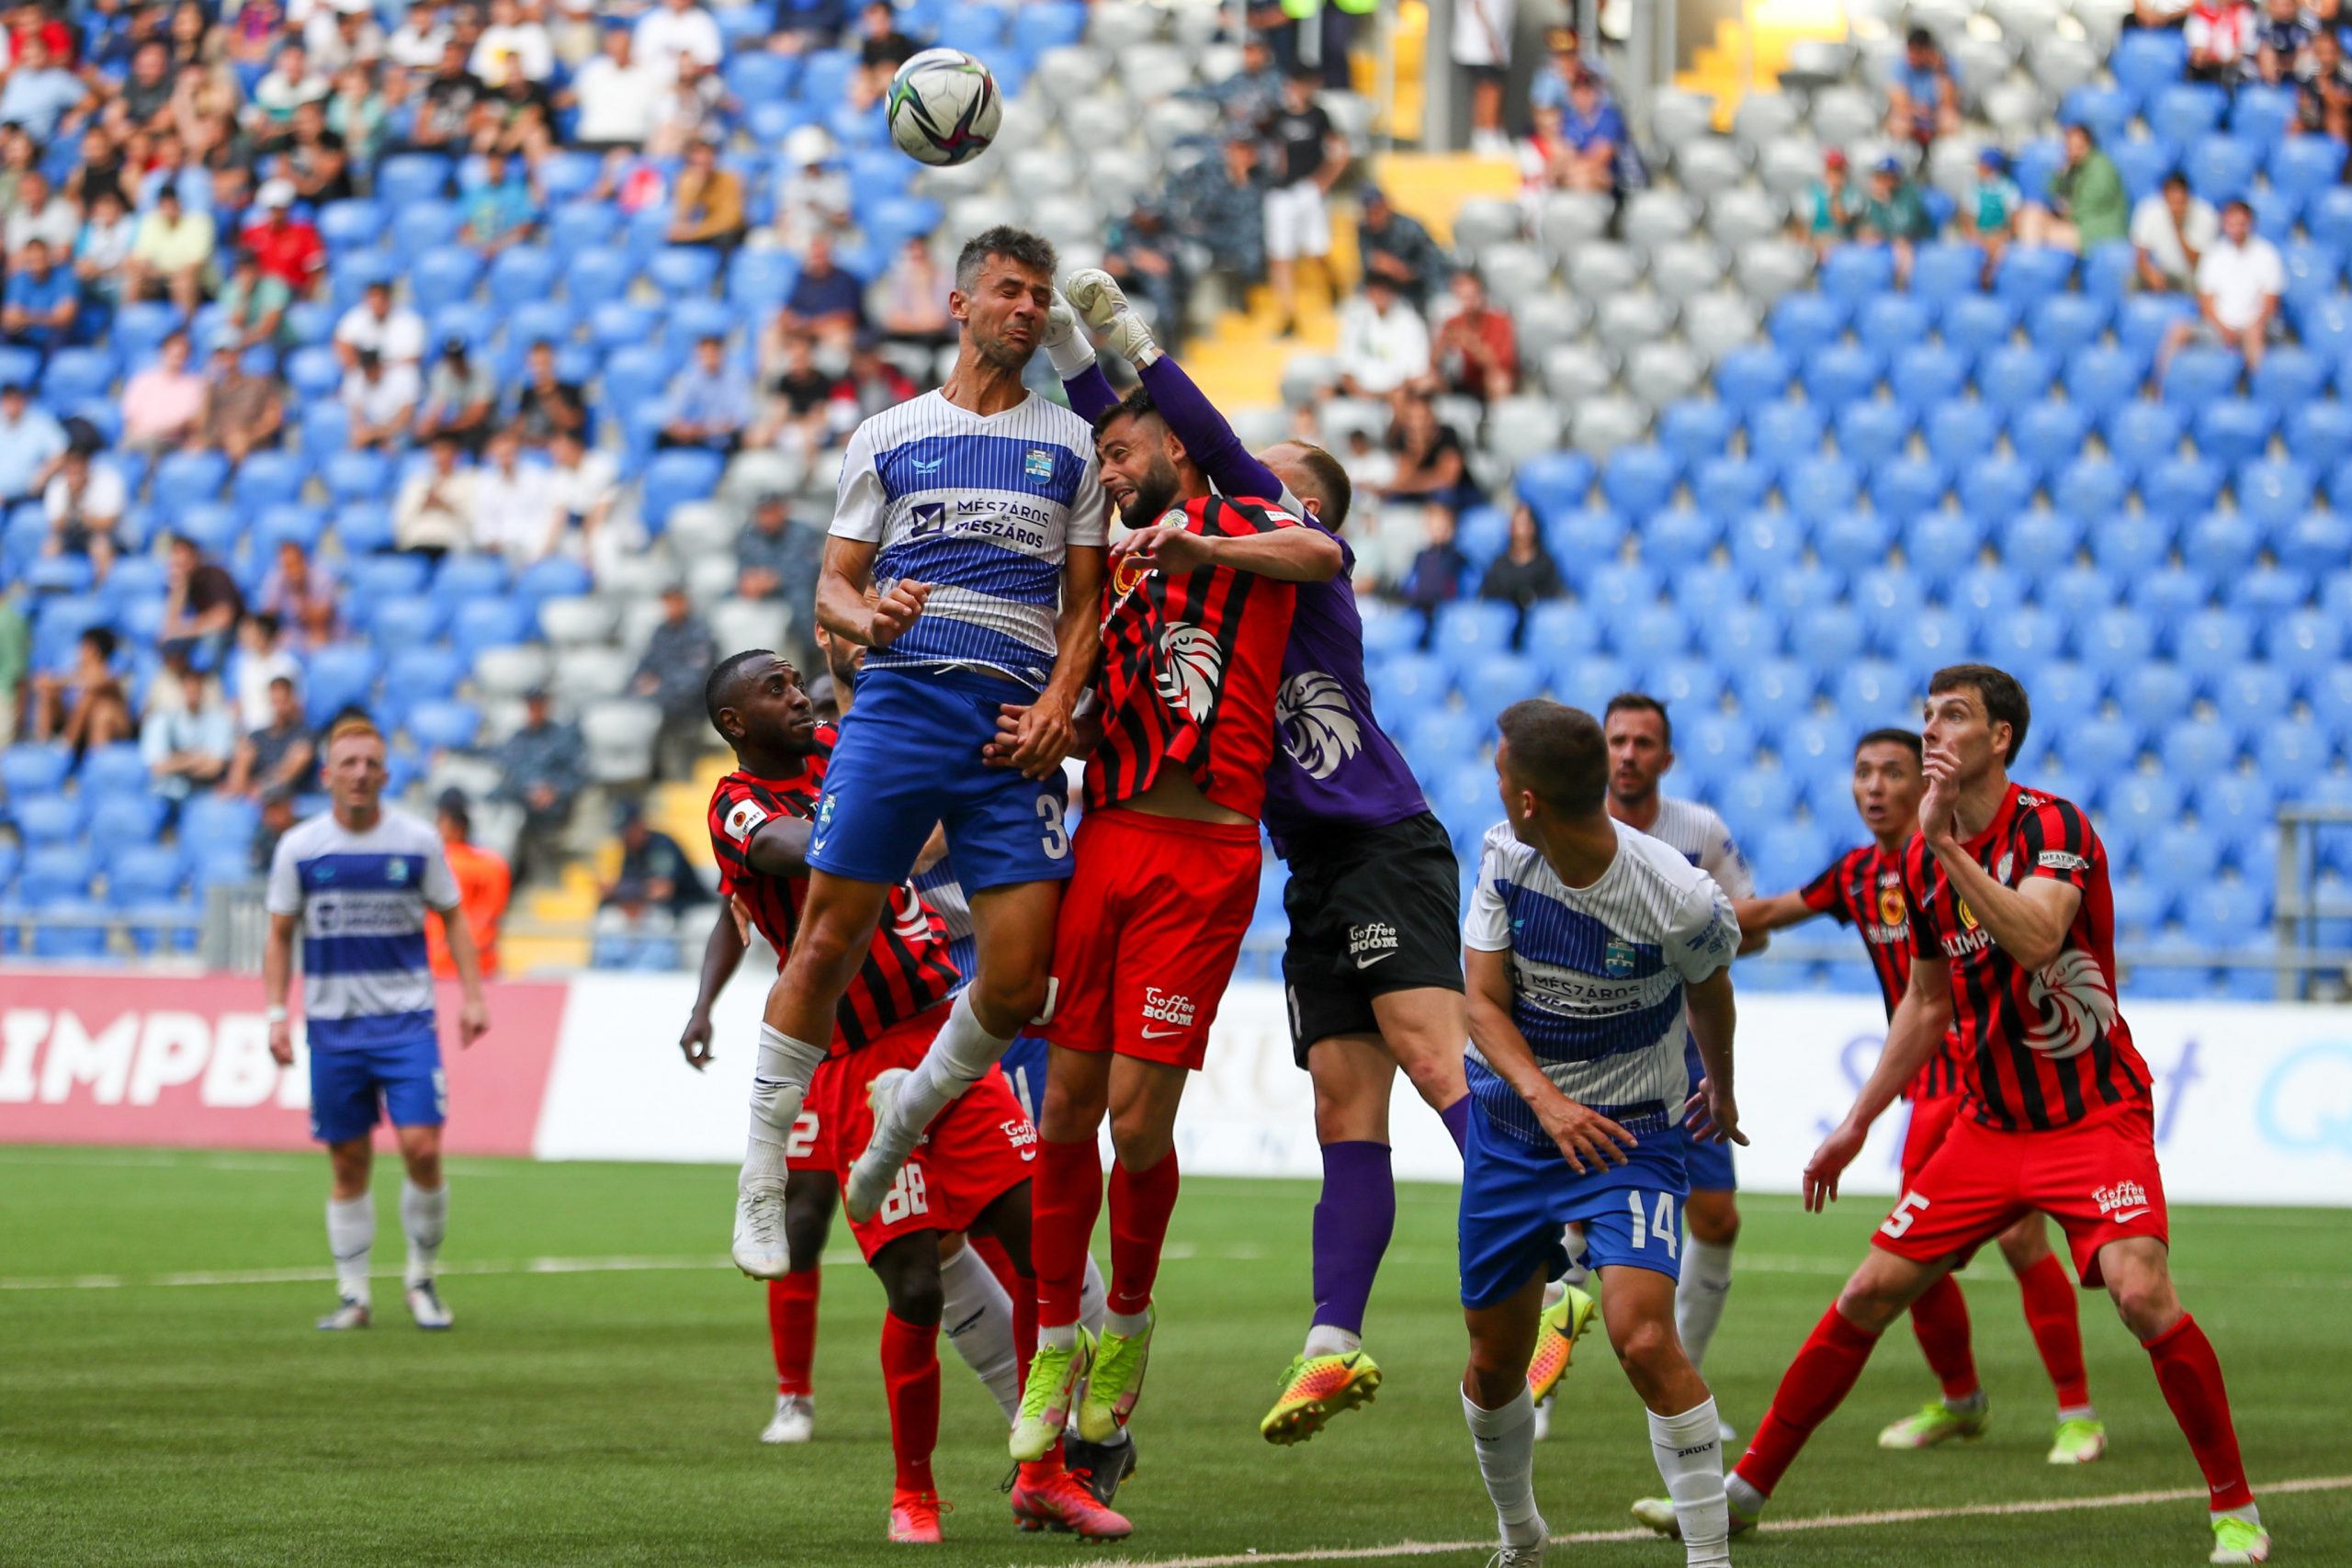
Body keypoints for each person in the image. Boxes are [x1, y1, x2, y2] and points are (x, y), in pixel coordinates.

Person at [1645, 665, 2269, 1568]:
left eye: (1953, 716)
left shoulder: (2051, 827)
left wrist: (1944, 848)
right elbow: (1927, 1004)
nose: (1932, 730)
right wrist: (1858, 1121)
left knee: (2140, 1293)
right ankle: (1741, 1494)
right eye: (1927, 716)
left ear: (1999, 737)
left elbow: (2039, 937)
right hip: (1987, 1127)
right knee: (1867, 1291)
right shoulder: (1916, 866)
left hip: (2093, 1117)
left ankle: (2235, 1508)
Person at [1046, 272, 1469, 1444]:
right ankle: (1334, 1340)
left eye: (1261, 474)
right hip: (1306, 864)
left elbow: (1203, 449)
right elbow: (1147, 454)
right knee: (1344, 1103)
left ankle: (1569, 1238)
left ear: (1301, 503)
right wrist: (1079, 367)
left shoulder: (1299, 557)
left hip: (1381, 840)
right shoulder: (1211, 581)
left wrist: (1120, 339)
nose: (1232, 475)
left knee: (1433, 1062)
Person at [724, 229, 1108, 1311]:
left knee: (1018, 982)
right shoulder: (889, 433)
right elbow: (831, 592)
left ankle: (900, 1126)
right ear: (959, 303)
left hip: (1010, 726)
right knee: (827, 937)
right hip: (899, 704)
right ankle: (761, 1172)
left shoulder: (1071, 444)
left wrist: (1058, 704)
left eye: (1039, 296)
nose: (1026, 309)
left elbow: (1084, 605)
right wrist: (871, 618)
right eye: (1008, 291)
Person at [696, 650, 1127, 1541]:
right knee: (916, 1288)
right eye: (777, 691)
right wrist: (885, 807)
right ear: (736, 724)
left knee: (1039, 1244)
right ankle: (913, 1493)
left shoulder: (845, 751)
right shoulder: (735, 803)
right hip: (851, 1065)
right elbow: (788, 849)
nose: (799, 697)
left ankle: (1045, 1472)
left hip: (942, 1038)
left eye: (799, 681)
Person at [989, 387, 1331, 1483]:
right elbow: (1108, 710)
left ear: (1175, 446)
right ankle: (1056, 1343)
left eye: (1120, 449)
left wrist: (1200, 544)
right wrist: (1054, 728)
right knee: (1063, 1112)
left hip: (1204, 858)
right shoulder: (1117, 562)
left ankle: (1128, 1322)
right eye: (1098, 455)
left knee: (1137, 1124)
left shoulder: (1240, 520)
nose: (1108, 468)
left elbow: (1324, 556)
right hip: (1109, 840)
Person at [1733, 728, 2108, 1463]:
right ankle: (1962, 1398)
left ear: (1928, 782)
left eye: (1892, 772)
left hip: (1988, 1079)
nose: (1875, 787)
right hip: (1924, 1086)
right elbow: (1770, 913)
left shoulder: (1967, 862)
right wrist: (1671, 919)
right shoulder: (1859, 873)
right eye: (1863, 772)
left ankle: (2077, 1411)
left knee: (2018, 1239)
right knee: (1910, 1250)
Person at [1458, 699, 1743, 1568]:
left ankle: (1710, 1558)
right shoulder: (1504, 856)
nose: (1495, 786)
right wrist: (1546, 1101)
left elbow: (1711, 990)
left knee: (1645, 1337)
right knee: (1494, 1362)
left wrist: (1722, 1087)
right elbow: (1482, 1003)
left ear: (1530, 798)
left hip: (1630, 1136)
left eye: (1501, 773)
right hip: (1514, 1134)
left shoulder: (1679, 894)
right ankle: (1521, 1535)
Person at [265, 716, 492, 1333]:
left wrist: (472, 997)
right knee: (348, 1163)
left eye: (370, 763)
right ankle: (353, 1295)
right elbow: (279, 934)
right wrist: (275, 1013)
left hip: (405, 1024)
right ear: (327, 774)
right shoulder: (300, 848)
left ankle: (421, 1279)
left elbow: (453, 916)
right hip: (333, 1028)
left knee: (422, 1149)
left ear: (386, 774)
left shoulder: (416, 842)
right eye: (349, 763)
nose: (360, 773)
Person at [1581, 694, 1767, 1445]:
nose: (1628, 753)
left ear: (1667, 757)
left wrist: (1695, 933)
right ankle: (1538, 1384)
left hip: (1683, 1056)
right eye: (1617, 740)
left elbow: (1749, 924)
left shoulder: (1699, 832)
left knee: (1717, 1217)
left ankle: (1684, 1376)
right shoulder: (1573, 824)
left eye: (1643, 741)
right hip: (1592, 1050)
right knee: (1574, 1219)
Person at [1260, 66, 1347, 337]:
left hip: (1307, 190)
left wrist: (1324, 180)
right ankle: (1288, 314)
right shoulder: (1277, 116)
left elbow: (1341, 150)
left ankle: (1335, 285)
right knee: (1280, 256)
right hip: (1280, 192)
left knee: (1316, 251)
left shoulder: (1319, 116)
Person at [2157, 197, 2283, 384]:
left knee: (2253, 334)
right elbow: (2206, 301)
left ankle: (2258, 388)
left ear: (2251, 224)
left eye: (2241, 224)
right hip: (2218, 326)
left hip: (2256, 326)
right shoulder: (2213, 255)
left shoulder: (2267, 254)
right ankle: (2160, 387)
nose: (2236, 229)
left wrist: (2252, 325)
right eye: (2231, 224)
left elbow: (2270, 303)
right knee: (2177, 330)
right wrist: (2223, 329)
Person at [493, 686, 584, 885]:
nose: (534, 710)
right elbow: (501, 762)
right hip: (521, 801)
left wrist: (554, 790)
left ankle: (545, 877)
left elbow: (578, 775)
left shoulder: (561, 738)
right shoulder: (519, 738)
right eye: (531, 706)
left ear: (546, 706)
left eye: (538, 705)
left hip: (553, 804)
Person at [425, 791, 510, 980]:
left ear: (454, 825)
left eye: (439, 821)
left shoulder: (436, 862)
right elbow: (494, 912)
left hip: (439, 964)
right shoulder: (495, 864)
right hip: (483, 963)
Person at [2017, 122, 2128, 254]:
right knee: (2031, 211)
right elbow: (2051, 192)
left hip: (2096, 232)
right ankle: (2029, 259)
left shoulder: (2100, 167)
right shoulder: (2074, 167)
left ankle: (2031, 260)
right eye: (2068, 144)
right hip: (2076, 223)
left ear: (2087, 143)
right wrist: (2062, 172)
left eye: (2075, 144)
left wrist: (2066, 213)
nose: (2071, 149)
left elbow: (2089, 206)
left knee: (2042, 232)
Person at [141, 661, 238, 807]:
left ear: (203, 689)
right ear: (181, 688)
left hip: (205, 793)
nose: (192, 691)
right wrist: (197, 759)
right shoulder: (162, 718)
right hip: (165, 794)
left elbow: (214, 767)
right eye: (188, 686)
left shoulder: (219, 719)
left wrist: (176, 762)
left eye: (196, 686)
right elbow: (157, 767)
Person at [27, 626, 132, 753]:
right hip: (77, 725)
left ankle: (66, 748)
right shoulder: (76, 672)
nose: (79, 651)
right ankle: (42, 745)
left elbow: (92, 684)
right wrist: (53, 683)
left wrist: (58, 682)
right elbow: (44, 683)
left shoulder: (110, 676)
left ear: (93, 650)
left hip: (111, 728)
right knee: (49, 693)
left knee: (94, 701)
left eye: (83, 646)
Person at [1333, 274, 1430, 400]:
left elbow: (1414, 374)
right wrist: (1363, 396)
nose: (1379, 296)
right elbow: (1345, 371)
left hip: (1399, 398)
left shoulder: (1411, 322)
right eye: (1375, 290)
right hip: (1359, 396)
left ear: (1393, 294)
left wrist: (1391, 397)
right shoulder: (1353, 318)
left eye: (1384, 291)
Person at [123, 183, 215, 315]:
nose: (169, 207)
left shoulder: (199, 222)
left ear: (180, 202)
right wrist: (155, 274)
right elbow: (138, 260)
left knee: (183, 282)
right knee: (135, 278)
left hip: (197, 284)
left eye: (172, 202)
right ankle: (130, 321)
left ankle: (184, 325)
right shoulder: (150, 221)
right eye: (164, 203)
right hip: (160, 279)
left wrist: (166, 276)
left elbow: (194, 266)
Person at [1429, 267, 1518, 402]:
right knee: (1428, 382)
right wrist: (1443, 345)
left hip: (1485, 385)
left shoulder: (1500, 322)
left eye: (1473, 297)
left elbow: (1500, 366)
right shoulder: (1452, 323)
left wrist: (1473, 345)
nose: (1469, 304)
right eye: (1464, 298)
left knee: (1499, 382)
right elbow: (1434, 363)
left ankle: (1499, 413)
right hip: (1460, 382)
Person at [657, 333, 753, 453]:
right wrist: (683, 429)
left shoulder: (736, 378)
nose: (709, 359)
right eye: (704, 354)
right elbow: (672, 415)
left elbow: (742, 419)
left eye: (713, 353)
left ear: (722, 354)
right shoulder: (689, 379)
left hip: (722, 438)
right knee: (661, 437)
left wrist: (707, 429)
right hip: (694, 437)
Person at [471, 425, 556, 563]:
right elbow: (483, 521)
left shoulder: (537, 477)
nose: (506, 459)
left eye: (509, 453)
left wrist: (536, 550)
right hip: (496, 548)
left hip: (531, 546)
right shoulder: (485, 481)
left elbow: (545, 516)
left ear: (518, 451)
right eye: (501, 454)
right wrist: (491, 541)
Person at [227, 671, 316, 800]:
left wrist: (258, 788)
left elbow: (289, 773)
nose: (279, 708)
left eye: (283, 701)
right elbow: (236, 781)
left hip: (291, 801)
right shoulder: (256, 736)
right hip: (254, 800)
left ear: (293, 700)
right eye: (275, 702)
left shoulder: (305, 734)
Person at [1356, 187, 1448, 310]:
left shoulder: (1410, 229)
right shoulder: (1364, 230)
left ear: (1386, 207)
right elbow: (1369, 262)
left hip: (1419, 291)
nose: (1373, 217)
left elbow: (1433, 263)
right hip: (1385, 290)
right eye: (1369, 212)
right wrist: (1384, 266)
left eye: (1377, 210)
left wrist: (1406, 271)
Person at [43, 446, 128, 579]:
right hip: (72, 533)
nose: (74, 477)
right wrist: (72, 499)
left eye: (78, 471)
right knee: (51, 547)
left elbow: (108, 522)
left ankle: (102, 586)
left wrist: (82, 517)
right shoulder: (58, 484)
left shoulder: (108, 481)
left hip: (105, 534)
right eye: (70, 471)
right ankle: (50, 584)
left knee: (100, 546)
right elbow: (56, 524)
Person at [1849, 156, 1934, 286]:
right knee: (1862, 247)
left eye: (1884, 177)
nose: (1880, 181)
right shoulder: (1874, 197)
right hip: (1889, 240)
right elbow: (1866, 227)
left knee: (1902, 250)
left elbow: (1906, 228)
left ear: (1895, 178)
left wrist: (1885, 204)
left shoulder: (1910, 194)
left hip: (1917, 240)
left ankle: (1902, 290)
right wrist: (1880, 204)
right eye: (1878, 176)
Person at [392, 433, 477, 560]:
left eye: (446, 451)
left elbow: (476, 523)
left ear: (457, 454)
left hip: (451, 544)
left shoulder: (471, 481)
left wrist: (446, 506)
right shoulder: (416, 483)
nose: (441, 457)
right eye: (436, 451)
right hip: (417, 543)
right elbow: (400, 521)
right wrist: (423, 505)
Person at [2132, 171, 2219, 294]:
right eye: (2171, 199)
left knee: (2200, 283)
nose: (2175, 205)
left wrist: (2178, 229)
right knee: (2132, 279)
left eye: (2180, 200)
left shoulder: (2206, 214)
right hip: (2162, 271)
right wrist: (2151, 274)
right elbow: (2140, 254)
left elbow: (2198, 263)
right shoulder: (2148, 210)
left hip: (2190, 275)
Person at [121, 329, 207, 451]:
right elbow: (130, 418)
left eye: (182, 354)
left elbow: (191, 421)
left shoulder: (196, 386)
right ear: (163, 352)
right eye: (173, 353)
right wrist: (145, 432)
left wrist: (161, 431)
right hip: (140, 438)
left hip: (171, 442)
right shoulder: (142, 381)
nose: (177, 358)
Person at [1480, 503, 1564, 627]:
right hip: (1504, 626)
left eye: (1525, 524)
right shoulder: (1499, 564)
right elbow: (1489, 599)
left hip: (1536, 625)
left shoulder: (1545, 563)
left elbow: (1552, 600)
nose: (1521, 530)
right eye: (1517, 524)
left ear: (1534, 527)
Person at [778, 232, 864, 352]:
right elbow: (788, 308)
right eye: (815, 255)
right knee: (773, 330)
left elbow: (847, 319)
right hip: (803, 331)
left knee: (840, 338)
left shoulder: (845, 280)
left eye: (821, 255)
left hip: (827, 331)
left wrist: (811, 325)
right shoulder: (802, 278)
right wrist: (789, 320)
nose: (818, 259)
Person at [1453, 0, 1516, 157]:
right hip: (1483, 47)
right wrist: (1492, 39)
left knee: (1488, 89)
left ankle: (1489, 135)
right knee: (1489, 90)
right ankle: (1486, 138)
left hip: (1488, 46)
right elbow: (1477, 6)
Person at [735, 491, 820, 604]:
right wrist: (750, 580)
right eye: (763, 512)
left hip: (790, 587)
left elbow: (810, 570)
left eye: (771, 512)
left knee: (801, 597)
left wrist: (776, 579)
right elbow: (743, 566)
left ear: (782, 511)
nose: (767, 518)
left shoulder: (803, 533)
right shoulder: (749, 535)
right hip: (759, 589)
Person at [415, 336, 497, 451]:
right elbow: (438, 406)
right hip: (455, 422)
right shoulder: (442, 372)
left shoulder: (481, 372)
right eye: (452, 357)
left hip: (480, 426)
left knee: (475, 438)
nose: (456, 361)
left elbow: (478, 415)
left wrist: (446, 428)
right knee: (424, 438)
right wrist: (430, 425)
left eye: (459, 357)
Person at [1555, 70, 1629, 195]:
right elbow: (1563, 155)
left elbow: (1600, 159)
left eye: (1587, 91)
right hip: (1579, 174)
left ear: (1596, 93)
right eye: (1577, 91)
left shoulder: (1609, 117)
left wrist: (1570, 170)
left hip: (1621, 182)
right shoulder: (1569, 120)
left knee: (1586, 179)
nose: (1582, 97)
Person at [1886, 26, 1961, 147]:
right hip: (1911, 113)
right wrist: (1917, 110)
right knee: (1898, 124)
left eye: (1915, 53)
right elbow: (1899, 101)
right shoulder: (1900, 65)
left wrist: (1940, 70)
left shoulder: (1946, 66)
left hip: (1935, 114)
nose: (1911, 57)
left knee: (1949, 121)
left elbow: (1948, 102)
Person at [667, 135, 744, 251]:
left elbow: (731, 220)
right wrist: (692, 189)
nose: (702, 166)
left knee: (726, 237)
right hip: (701, 231)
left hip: (722, 232)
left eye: (706, 161)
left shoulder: (729, 180)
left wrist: (695, 232)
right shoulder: (685, 181)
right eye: (696, 162)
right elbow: (682, 217)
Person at [4, 238, 79, 355]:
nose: (36, 266)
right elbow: (10, 314)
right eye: (31, 261)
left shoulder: (65, 276)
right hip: (25, 334)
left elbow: (65, 318)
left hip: (53, 336)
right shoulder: (19, 278)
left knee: (59, 335)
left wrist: (27, 318)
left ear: (49, 257)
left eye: (40, 259)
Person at [231, 610, 301, 732]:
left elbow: (296, 705)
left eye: (255, 633)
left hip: (280, 731)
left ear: (264, 635)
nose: (250, 637)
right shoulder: (245, 664)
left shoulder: (287, 665)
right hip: (250, 731)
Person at [0, 377, 66, 503]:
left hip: (26, 498)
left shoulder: (41, 424)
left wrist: (42, 477)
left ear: (24, 400)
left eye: (16, 399)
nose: (12, 404)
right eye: (8, 399)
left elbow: (60, 453)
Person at [1399, 501, 1466, 615]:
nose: (1440, 529)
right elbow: (1409, 586)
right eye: (1436, 526)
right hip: (1419, 609)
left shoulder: (1458, 558)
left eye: (1444, 525)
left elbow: (1462, 590)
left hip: (1446, 610)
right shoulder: (1420, 556)